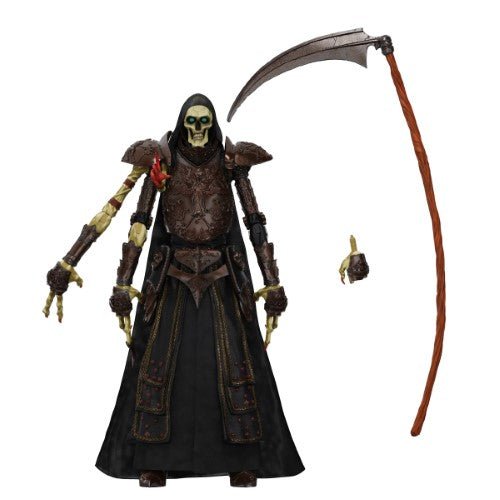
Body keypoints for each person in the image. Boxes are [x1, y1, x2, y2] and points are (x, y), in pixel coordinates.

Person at [44, 93, 304, 487]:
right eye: (191, 122)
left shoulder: (232, 162)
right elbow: (139, 222)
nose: (197, 130)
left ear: (211, 124)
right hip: (172, 277)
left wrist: (272, 282)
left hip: (222, 276)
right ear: (183, 123)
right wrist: (121, 281)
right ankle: (154, 459)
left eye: (204, 122)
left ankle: (242, 459)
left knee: (234, 362)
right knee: (160, 364)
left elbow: (255, 222)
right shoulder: (159, 162)